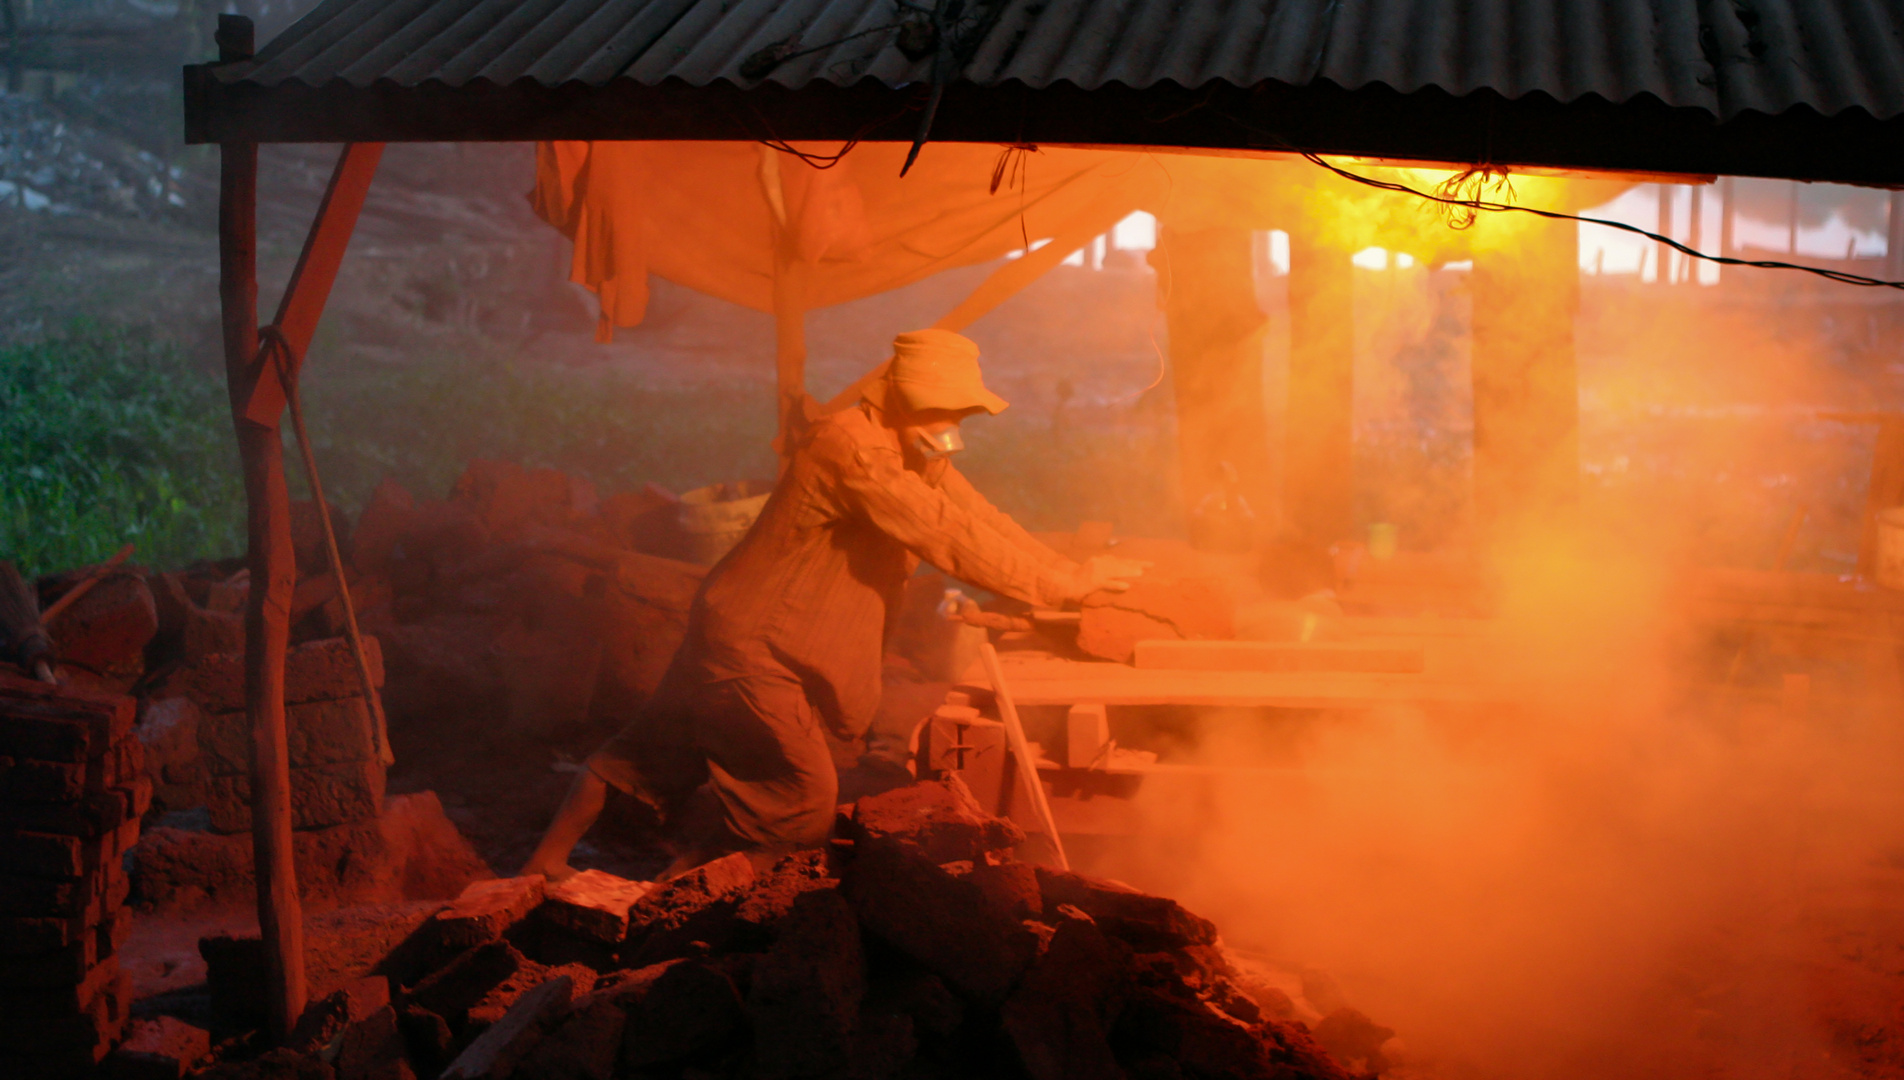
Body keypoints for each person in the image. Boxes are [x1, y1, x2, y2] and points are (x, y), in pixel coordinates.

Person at [520, 329, 1144, 879]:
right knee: (802, 802)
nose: (956, 422)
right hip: (755, 646)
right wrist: (1064, 589)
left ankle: (547, 864)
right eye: (947, 406)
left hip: (735, 624)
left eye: (963, 410)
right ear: (904, 396)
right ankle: (667, 905)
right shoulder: (854, 450)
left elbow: (975, 516)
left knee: (643, 754)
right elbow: (946, 537)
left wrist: (1071, 575)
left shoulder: (906, 446)